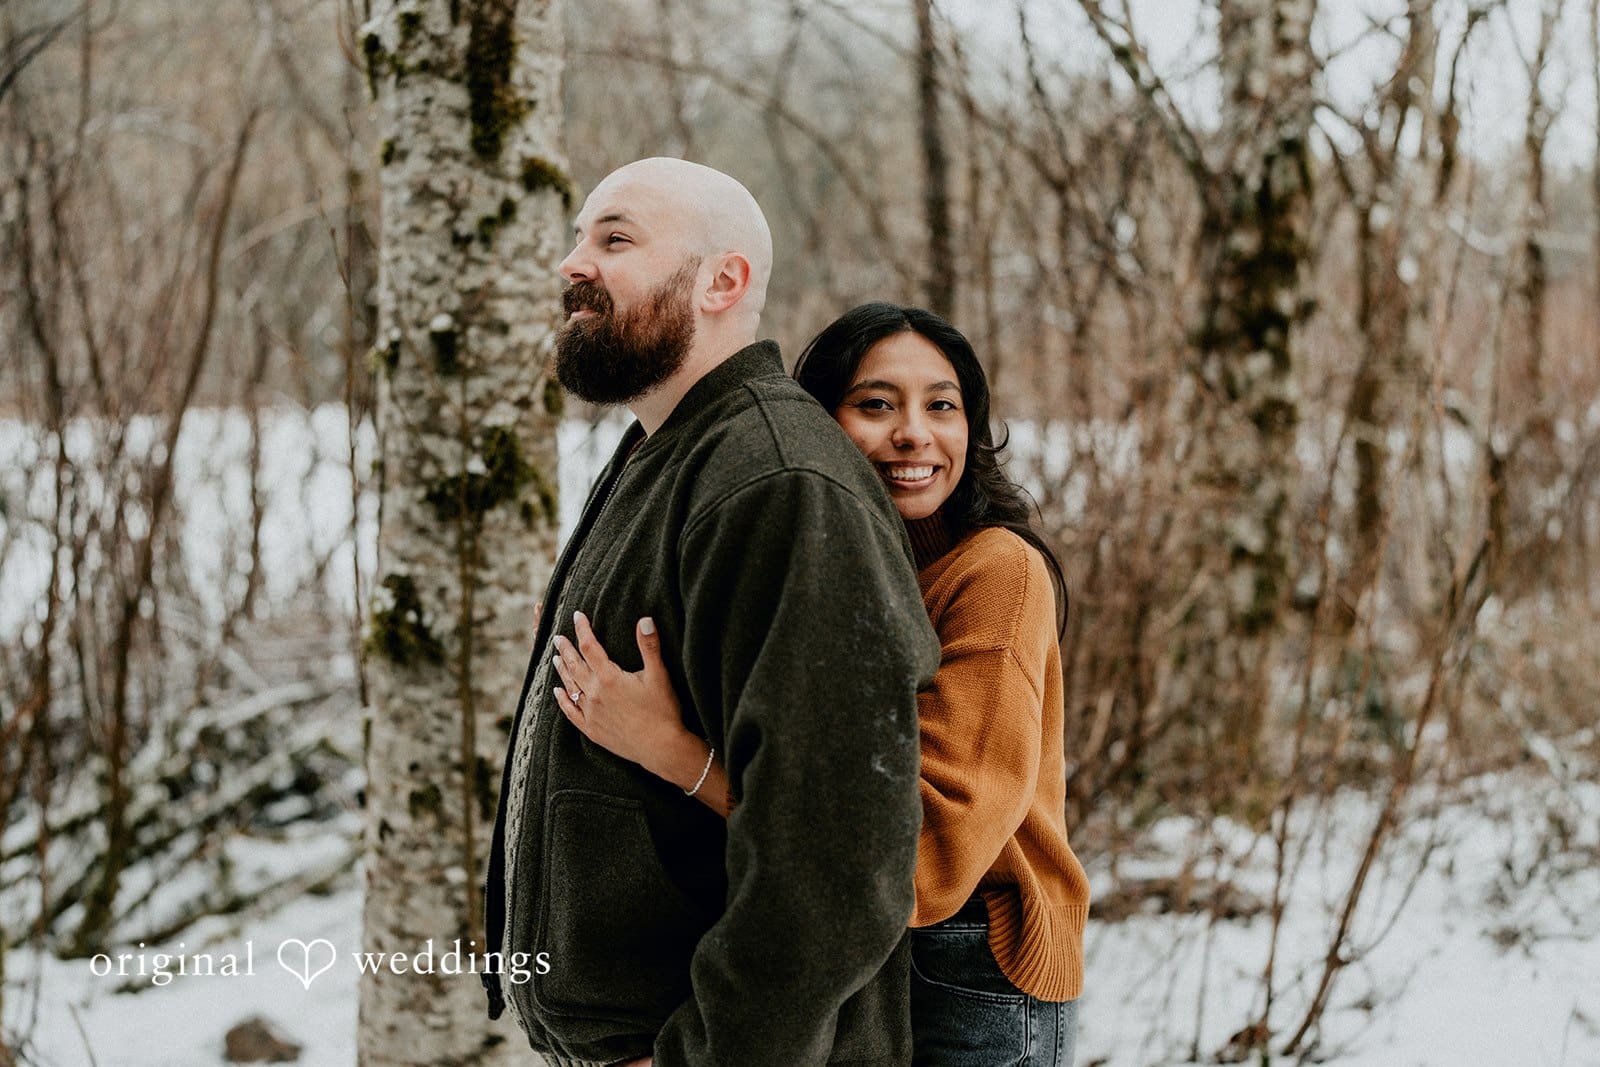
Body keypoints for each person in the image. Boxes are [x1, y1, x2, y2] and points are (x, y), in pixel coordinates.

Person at [480, 161, 941, 1067]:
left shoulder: (777, 480)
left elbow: (838, 863)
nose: (574, 264)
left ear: (723, 281)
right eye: (578, 238)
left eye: (614, 239)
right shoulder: (667, 450)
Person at [553, 303, 1090, 1066]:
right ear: (819, 423)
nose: (913, 433)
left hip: (971, 962)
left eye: (942, 405)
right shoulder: (836, 560)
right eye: (876, 404)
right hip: (870, 951)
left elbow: (923, 860)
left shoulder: (996, 572)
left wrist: (676, 753)